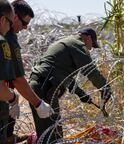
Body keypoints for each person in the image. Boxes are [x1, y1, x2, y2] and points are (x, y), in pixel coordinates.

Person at [29, 27, 112, 143]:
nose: (90, 49)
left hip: (37, 86)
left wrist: (80, 93)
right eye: (91, 45)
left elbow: (63, 76)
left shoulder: (67, 42)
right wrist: (105, 88)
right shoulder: (77, 45)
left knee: (46, 133)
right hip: (45, 88)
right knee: (53, 136)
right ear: (87, 38)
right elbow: (90, 71)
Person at [5, 0, 54, 143]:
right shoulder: (8, 38)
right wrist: (38, 104)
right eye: (24, 23)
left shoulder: (9, 35)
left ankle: (8, 137)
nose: (25, 28)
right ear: (14, 17)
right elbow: (18, 79)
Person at [0, 0, 16, 143]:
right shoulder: (2, 42)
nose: (11, 27)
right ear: (2, 20)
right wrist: (13, 98)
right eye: (10, 23)